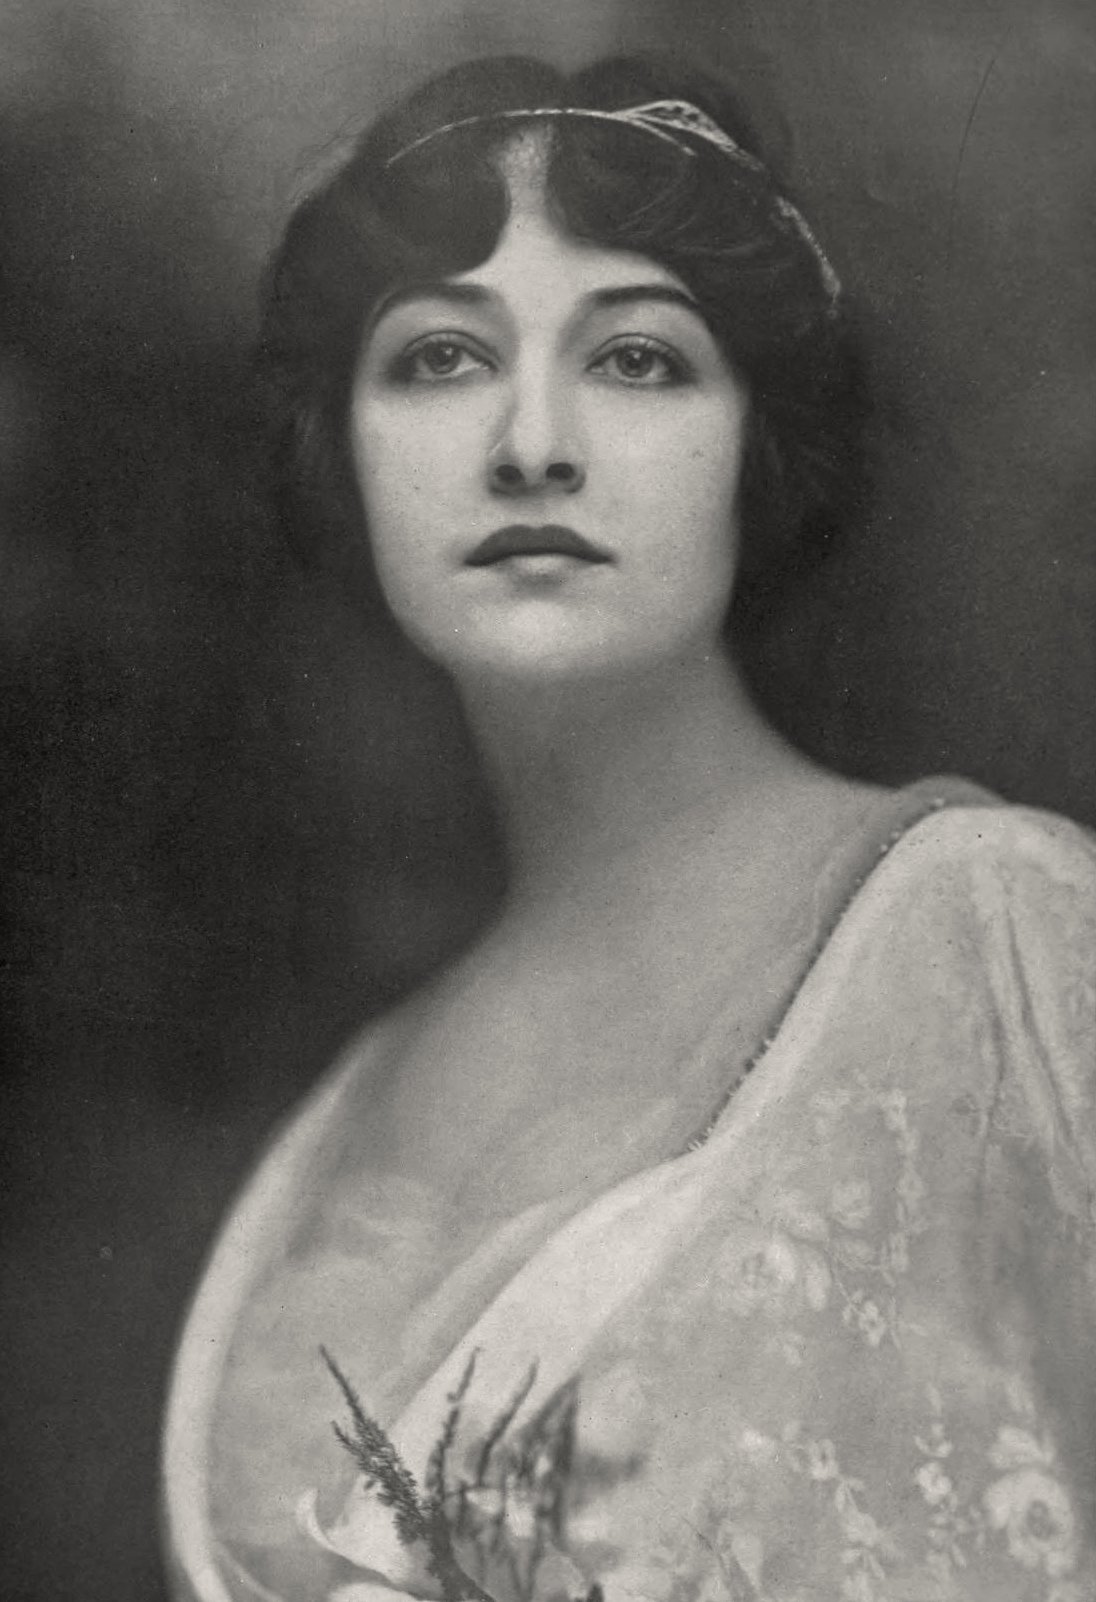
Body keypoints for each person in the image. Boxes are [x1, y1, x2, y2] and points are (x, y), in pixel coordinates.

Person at [162, 52, 1096, 1602]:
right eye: (442, 358)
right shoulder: (343, 1109)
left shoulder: (1006, 943)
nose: (533, 442)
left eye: (640, 361)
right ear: (346, 444)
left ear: (757, 441)